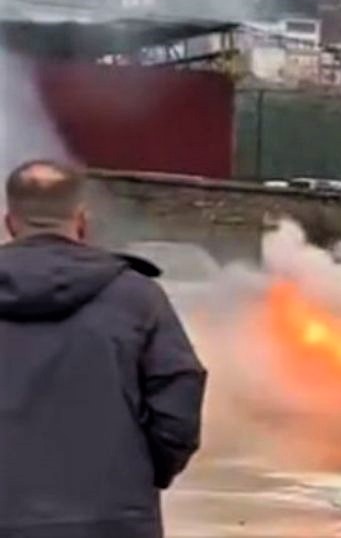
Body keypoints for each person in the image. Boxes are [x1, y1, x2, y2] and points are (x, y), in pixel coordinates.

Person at [0, 160, 206, 538]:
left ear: (10, 222)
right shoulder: (137, 298)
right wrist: (143, 474)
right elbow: (177, 407)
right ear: (81, 222)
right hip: (113, 520)